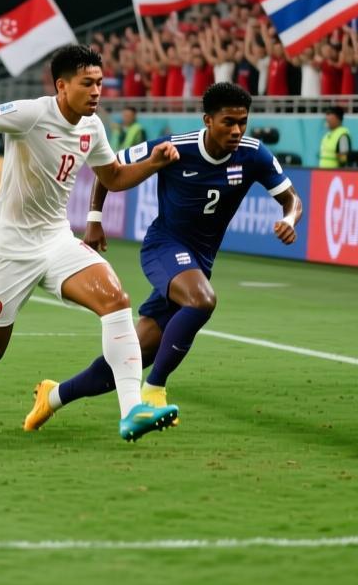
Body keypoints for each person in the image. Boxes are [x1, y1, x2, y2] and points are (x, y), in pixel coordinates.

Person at [0, 43, 181, 442]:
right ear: (62, 86)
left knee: (115, 299)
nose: (96, 91)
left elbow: (113, 177)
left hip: (56, 241)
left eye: (99, 83)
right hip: (9, 249)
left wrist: (152, 165)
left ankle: (132, 410)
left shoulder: (93, 127)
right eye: (87, 83)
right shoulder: (32, 113)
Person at [22, 82, 302, 428]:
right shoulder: (175, 148)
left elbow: (291, 198)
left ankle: (52, 396)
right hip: (164, 247)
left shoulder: (254, 154)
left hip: (198, 262)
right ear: (208, 120)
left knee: (131, 356)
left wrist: (288, 219)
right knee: (202, 301)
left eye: (242, 122)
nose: (237, 130)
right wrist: (94, 219)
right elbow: (109, 168)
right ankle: (154, 389)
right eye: (228, 122)